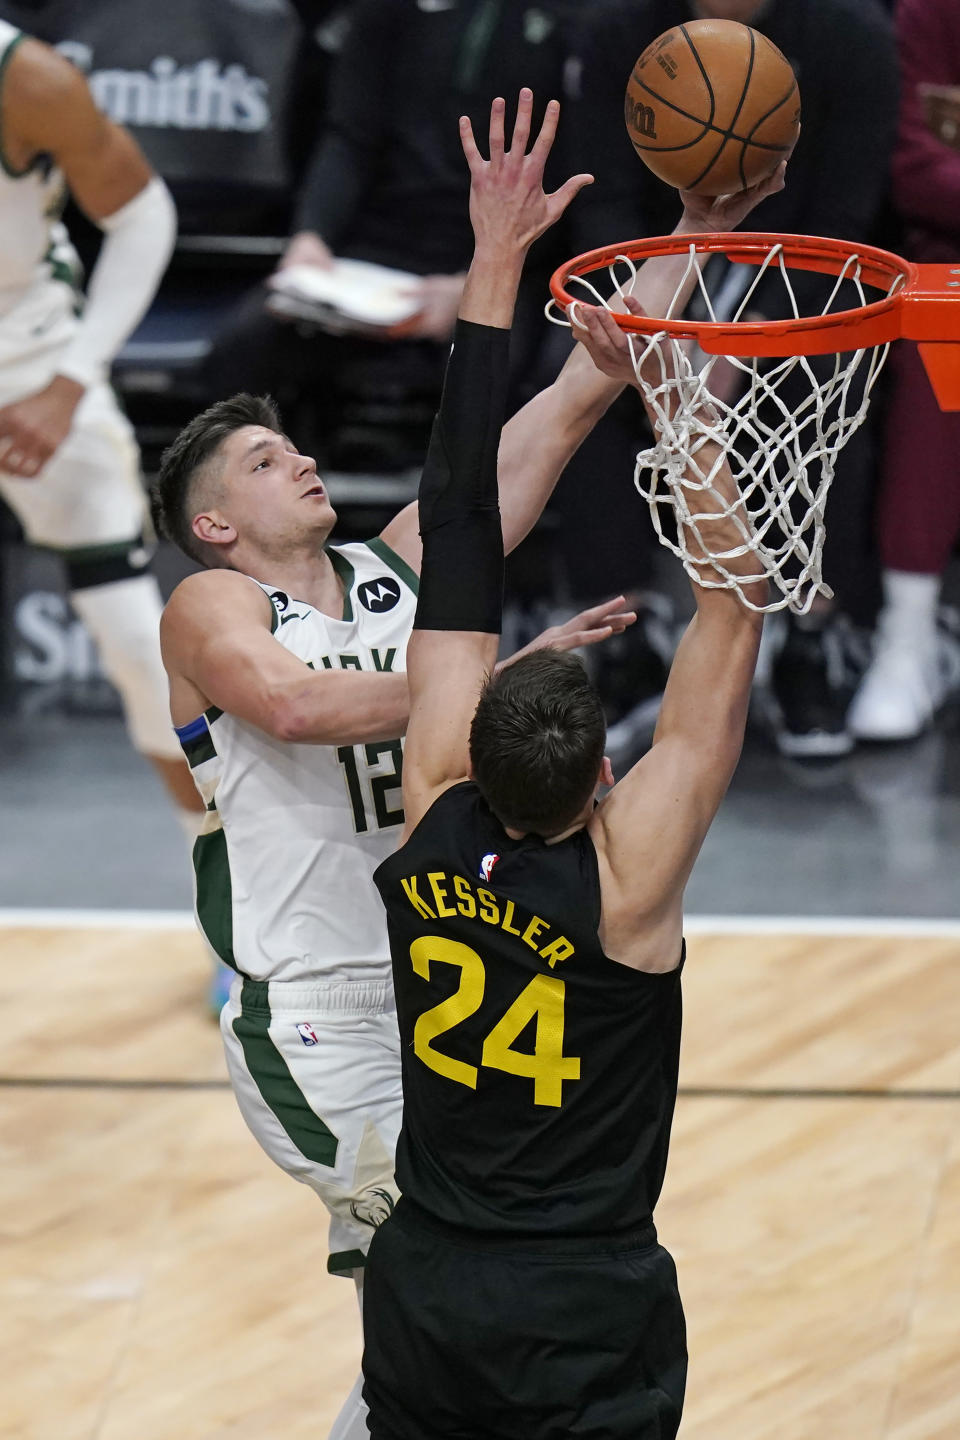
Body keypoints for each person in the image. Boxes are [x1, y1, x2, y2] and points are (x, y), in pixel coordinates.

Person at [154, 85, 781, 1440]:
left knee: (439, 1306)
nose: (302, 456)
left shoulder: (400, 580)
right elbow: (300, 710)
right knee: (439, 1271)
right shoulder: (212, 613)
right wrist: (500, 687)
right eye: (267, 460)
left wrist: (686, 226)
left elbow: (572, 394)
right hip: (317, 1011)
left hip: (443, 952)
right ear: (213, 522)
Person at [365, 93, 779, 1440]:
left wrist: (496, 259)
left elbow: (462, 519)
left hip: (424, 1276)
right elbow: (734, 607)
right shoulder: (627, 883)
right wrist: (670, 386)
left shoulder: (431, 807)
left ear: (470, 743)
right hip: (579, 1294)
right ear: (605, 779)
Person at [563, 0, 898, 758]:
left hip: (802, 280)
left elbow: (845, 226)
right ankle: (625, 636)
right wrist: (656, 331)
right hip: (667, 270)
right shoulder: (618, 32)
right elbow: (606, 207)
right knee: (583, 380)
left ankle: (814, 630)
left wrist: (737, 350)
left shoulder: (854, 37)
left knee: (826, 378)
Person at [0, 26, 204, 829]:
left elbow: (144, 216)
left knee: (128, 637)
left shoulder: (29, 79)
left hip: (25, 352)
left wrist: (69, 383)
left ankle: (227, 888)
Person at [846, 0, 960, 742]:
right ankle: (909, 635)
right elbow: (919, 172)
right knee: (938, 332)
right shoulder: (931, 12)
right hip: (949, 260)